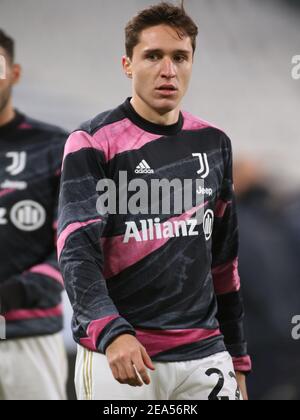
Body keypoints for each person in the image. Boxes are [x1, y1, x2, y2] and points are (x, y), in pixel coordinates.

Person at [58, 2, 251, 400]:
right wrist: (111, 332)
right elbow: (76, 253)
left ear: (193, 62)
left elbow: (224, 264)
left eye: (180, 57)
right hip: (123, 355)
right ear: (127, 64)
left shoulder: (214, 144)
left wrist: (238, 358)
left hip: (204, 356)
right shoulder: (93, 142)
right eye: (153, 56)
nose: (168, 70)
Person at [0, 29, 68, 400]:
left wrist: (10, 294)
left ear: (15, 73)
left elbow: (74, 248)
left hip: (30, 338)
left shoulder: (55, 146)